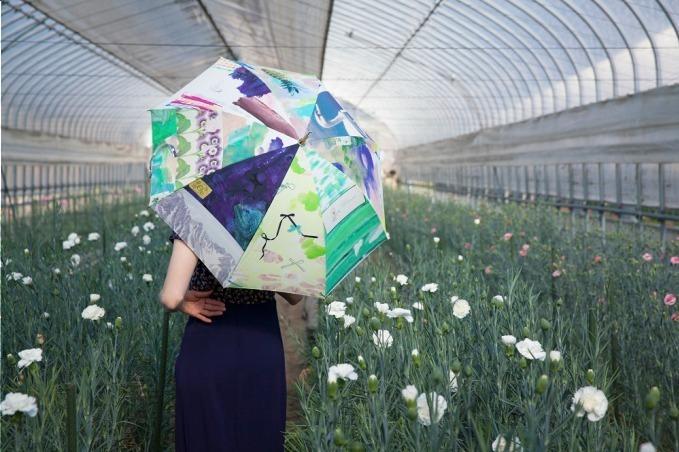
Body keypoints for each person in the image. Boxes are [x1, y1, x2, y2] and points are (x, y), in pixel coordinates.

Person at [159, 231, 303, 452]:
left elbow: (171, 297)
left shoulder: (197, 212)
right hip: (260, 343)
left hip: (209, 338)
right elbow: (295, 296)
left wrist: (186, 305)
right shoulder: (273, 217)